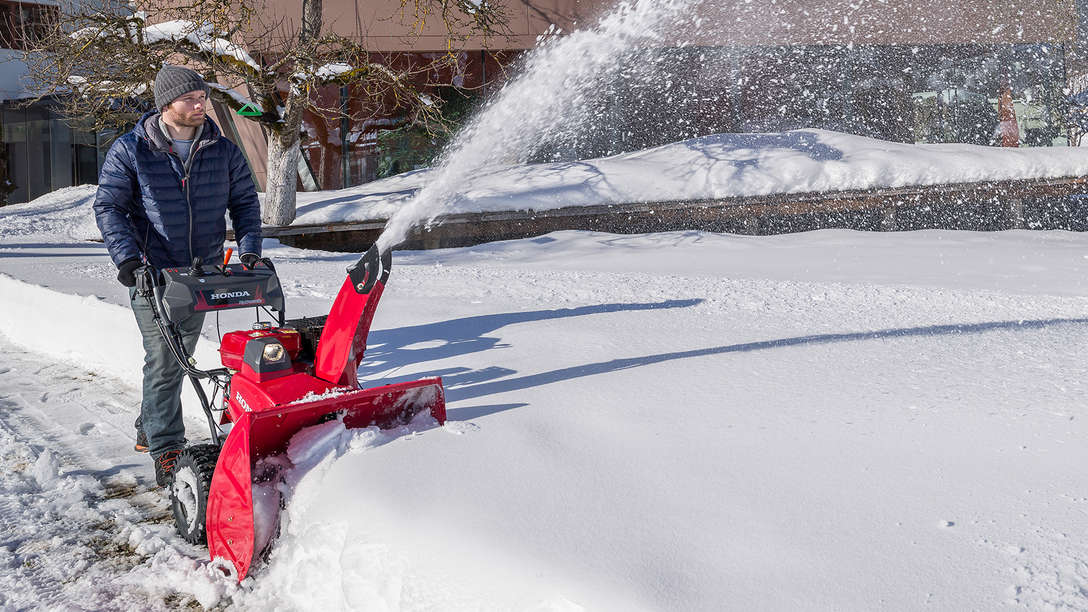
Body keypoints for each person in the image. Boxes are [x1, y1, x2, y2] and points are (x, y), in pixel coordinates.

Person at [93, 65, 262, 487]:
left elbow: (244, 203)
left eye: (202, 98)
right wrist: (128, 260)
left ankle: (149, 422)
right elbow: (109, 207)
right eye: (190, 99)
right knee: (166, 360)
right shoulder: (131, 150)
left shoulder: (222, 151)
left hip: (202, 273)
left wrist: (250, 251)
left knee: (178, 355)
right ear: (166, 104)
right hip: (152, 274)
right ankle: (167, 447)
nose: (201, 105)